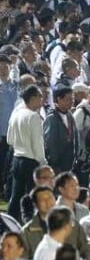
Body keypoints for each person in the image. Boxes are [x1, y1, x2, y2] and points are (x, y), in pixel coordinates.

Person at [7, 86, 46, 223]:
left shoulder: (16, 113)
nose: (42, 100)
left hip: (17, 159)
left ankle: (9, 223)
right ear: (33, 98)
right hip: (31, 161)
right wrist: (43, 162)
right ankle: (30, 224)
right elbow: (37, 144)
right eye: (40, 97)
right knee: (32, 196)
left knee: (15, 196)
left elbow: (9, 139)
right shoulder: (34, 117)